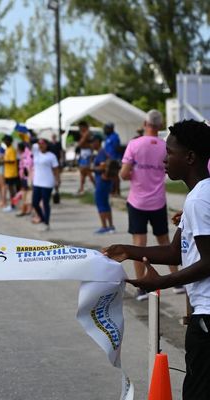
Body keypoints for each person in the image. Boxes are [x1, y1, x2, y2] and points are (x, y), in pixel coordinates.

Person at [103, 119, 210, 399]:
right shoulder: (198, 196)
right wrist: (130, 250)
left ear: (190, 157)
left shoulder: (199, 200)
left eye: (170, 152)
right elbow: (177, 251)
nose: (163, 159)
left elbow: (209, 261)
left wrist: (161, 281)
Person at [120, 109, 183, 301]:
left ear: (145, 123)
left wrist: (133, 173)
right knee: (165, 242)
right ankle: (176, 282)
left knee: (139, 243)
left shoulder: (134, 144)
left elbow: (123, 174)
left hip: (138, 201)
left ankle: (142, 286)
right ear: (159, 124)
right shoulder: (165, 146)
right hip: (158, 200)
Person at [31, 139, 60, 232]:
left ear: (47, 145)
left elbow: (56, 169)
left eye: (43, 144)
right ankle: (43, 218)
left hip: (47, 183)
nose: (40, 146)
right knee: (35, 203)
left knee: (45, 203)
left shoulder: (51, 156)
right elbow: (29, 142)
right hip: (37, 182)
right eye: (39, 144)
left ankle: (46, 223)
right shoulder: (36, 153)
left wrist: (57, 180)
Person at [91, 135, 116, 234]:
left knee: (100, 203)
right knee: (106, 204)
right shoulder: (104, 152)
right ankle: (110, 226)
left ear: (97, 141)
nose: (92, 144)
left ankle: (104, 226)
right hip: (106, 182)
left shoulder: (101, 153)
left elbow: (102, 167)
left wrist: (92, 168)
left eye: (93, 142)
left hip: (102, 182)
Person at [103, 122, 122, 197]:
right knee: (110, 176)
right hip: (108, 159)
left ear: (111, 128)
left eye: (107, 128)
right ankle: (112, 191)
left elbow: (117, 148)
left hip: (114, 159)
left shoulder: (115, 137)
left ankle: (117, 191)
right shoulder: (108, 137)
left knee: (115, 176)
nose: (105, 130)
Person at [76, 120, 95, 195]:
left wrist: (80, 141)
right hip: (83, 152)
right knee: (82, 171)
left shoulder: (87, 133)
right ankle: (81, 188)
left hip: (87, 153)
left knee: (87, 171)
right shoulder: (83, 133)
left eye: (80, 127)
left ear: (84, 127)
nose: (80, 129)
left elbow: (81, 143)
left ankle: (96, 186)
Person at [2, 135, 19, 212]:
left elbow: (12, 161)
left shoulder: (12, 149)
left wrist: (3, 161)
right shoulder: (8, 149)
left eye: (5, 141)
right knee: (10, 190)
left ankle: (13, 205)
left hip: (12, 173)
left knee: (12, 190)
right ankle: (13, 204)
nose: (4, 142)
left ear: (9, 141)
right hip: (8, 172)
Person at [16, 141, 33, 217]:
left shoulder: (26, 156)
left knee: (26, 194)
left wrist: (28, 177)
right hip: (25, 177)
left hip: (27, 177)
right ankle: (27, 209)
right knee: (27, 194)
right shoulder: (26, 154)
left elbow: (28, 166)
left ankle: (25, 209)